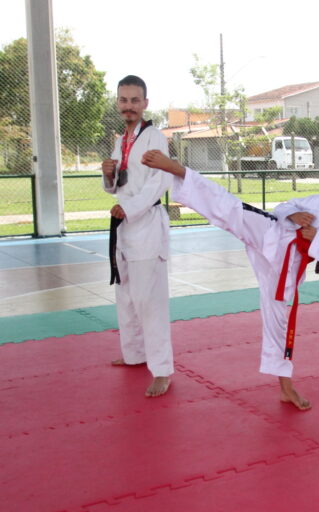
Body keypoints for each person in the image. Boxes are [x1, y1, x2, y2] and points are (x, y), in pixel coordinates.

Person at [141, 151, 319, 411]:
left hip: (289, 264)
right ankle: (179, 171)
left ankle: (286, 388)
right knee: (231, 209)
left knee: (278, 321)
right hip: (271, 233)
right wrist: (293, 216)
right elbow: (284, 207)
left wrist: (316, 239)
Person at [101, 75, 174, 398]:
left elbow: (158, 182)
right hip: (126, 224)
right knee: (126, 293)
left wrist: (128, 208)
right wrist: (108, 176)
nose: (128, 106)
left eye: (134, 100)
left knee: (150, 301)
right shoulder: (122, 140)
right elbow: (120, 184)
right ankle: (133, 353)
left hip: (145, 223)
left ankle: (162, 370)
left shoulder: (155, 137)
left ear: (145, 103)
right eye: (123, 100)